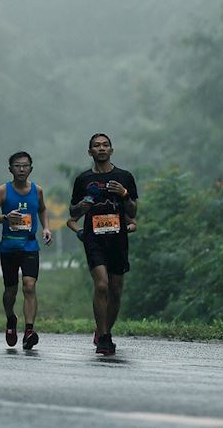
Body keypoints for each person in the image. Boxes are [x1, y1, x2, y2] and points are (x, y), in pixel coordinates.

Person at [69, 133, 138, 356]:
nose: (101, 148)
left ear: (111, 150)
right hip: (94, 238)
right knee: (102, 285)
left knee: (116, 290)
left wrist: (124, 194)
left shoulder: (124, 177)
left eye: (105, 145)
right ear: (90, 152)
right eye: (96, 146)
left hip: (118, 239)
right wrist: (81, 206)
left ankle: (103, 330)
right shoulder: (83, 180)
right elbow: (73, 212)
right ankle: (105, 338)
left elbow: (133, 211)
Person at [0, 151, 53, 349]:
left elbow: (42, 209)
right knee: (10, 291)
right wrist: (6, 217)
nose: (21, 169)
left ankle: (29, 331)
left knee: (29, 286)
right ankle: (10, 319)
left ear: (31, 168)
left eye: (25, 165)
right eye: (17, 166)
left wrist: (46, 227)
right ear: (10, 169)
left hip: (30, 245)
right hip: (8, 247)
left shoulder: (37, 190)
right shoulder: (2, 191)